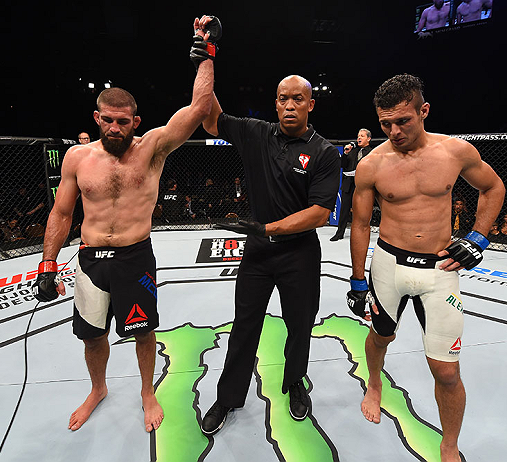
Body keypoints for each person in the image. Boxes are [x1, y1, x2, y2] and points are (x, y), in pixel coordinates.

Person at [31, 15, 217, 433]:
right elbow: (61, 213)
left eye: (123, 120)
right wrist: (46, 264)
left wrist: (206, 54)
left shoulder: (152, 148)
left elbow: (200, 109)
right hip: (90, 258)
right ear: (96, 118)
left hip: (135, 256)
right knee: (91, 336)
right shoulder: (78, 159)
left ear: (135, 120)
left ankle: (147, 391)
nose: (115, 127)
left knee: (143, 330)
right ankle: (98, 388)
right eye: (108, 120)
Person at [347, 74, 505, 462]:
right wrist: (356, 280)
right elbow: (362, 224)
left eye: (404, 121)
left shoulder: (455, 152)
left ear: (424, 111)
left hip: (440, 269)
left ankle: (448, 444)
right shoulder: (372, 164)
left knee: (447, 372)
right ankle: (373, 383)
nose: (394, 131)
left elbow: (493, 187)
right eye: (386, 124)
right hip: (388, 265)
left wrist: (479, 238)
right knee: (380, 337)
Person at [199, 74, 341, 435]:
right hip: (259, 254)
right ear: (275, 103)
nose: (289, 106)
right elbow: (209, 117)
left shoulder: (323, 152)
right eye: (282, 99)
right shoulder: (257, 133)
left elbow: (320, 213)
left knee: (299, 326)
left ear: (310, 104)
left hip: (300, 254)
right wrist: (206, 60)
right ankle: (228, 397)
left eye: (297, 99)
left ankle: (295, 382)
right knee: (244, 326)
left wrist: (267, 228)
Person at [331, 128, 372, 241]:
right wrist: (345, 153)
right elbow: (342, 165)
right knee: (344, 209)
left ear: (368, 138)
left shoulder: (371, 153)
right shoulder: (352, 151)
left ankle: (359, 234)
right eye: (358, 136)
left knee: (360, 211)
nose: (359, 138)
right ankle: (339, 233)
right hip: (348, 185)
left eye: (362, 136)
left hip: (361, 186)